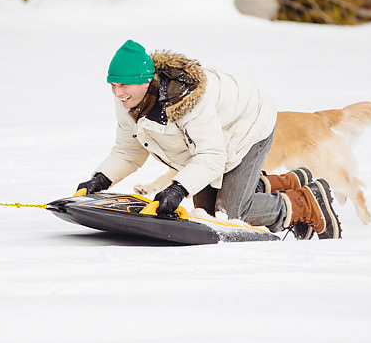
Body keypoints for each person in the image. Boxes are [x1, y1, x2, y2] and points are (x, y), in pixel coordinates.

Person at [75, 40, 341, 239]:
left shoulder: (188, 100)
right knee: (208, 214)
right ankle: (285, 183)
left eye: (124, 85)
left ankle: (305, 203)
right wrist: (101, 178)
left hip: (249, 122)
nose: (118, 93)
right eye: (113, 85)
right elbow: (127, 151)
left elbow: (212, 157)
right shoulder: (128, 103)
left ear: (146, 81)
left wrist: (177, 188)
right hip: (209, 142)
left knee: (231, 215)